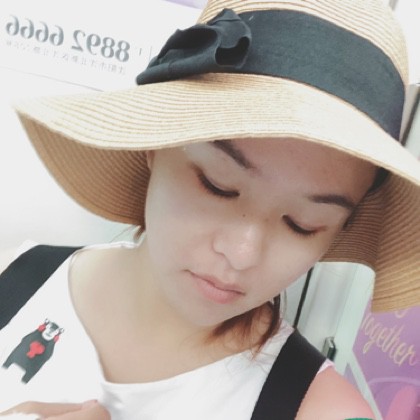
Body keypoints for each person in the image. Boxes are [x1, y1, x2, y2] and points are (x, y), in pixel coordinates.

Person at [1, 0, 419, 418]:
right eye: (217, 185)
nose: (241, 254)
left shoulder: (324, 409)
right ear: (154, 142)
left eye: (302, 224)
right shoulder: (12, 277)